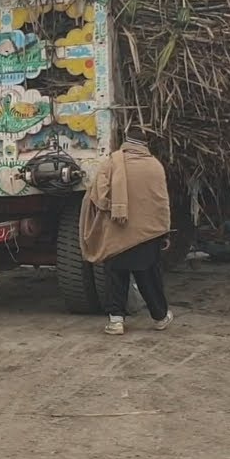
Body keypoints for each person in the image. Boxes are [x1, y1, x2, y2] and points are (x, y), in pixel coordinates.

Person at [79, 123, 174, 335]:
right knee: (149, 276)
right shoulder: (155, 166)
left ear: (126, 142)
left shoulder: (111, 163)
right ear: (145, 144)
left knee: (115, 276)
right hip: (148, 234)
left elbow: (98, 197)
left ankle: (116, 321)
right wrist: (164, 233)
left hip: (117, 231)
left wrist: (115, 208)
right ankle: (159, 318)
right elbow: (161, 203)